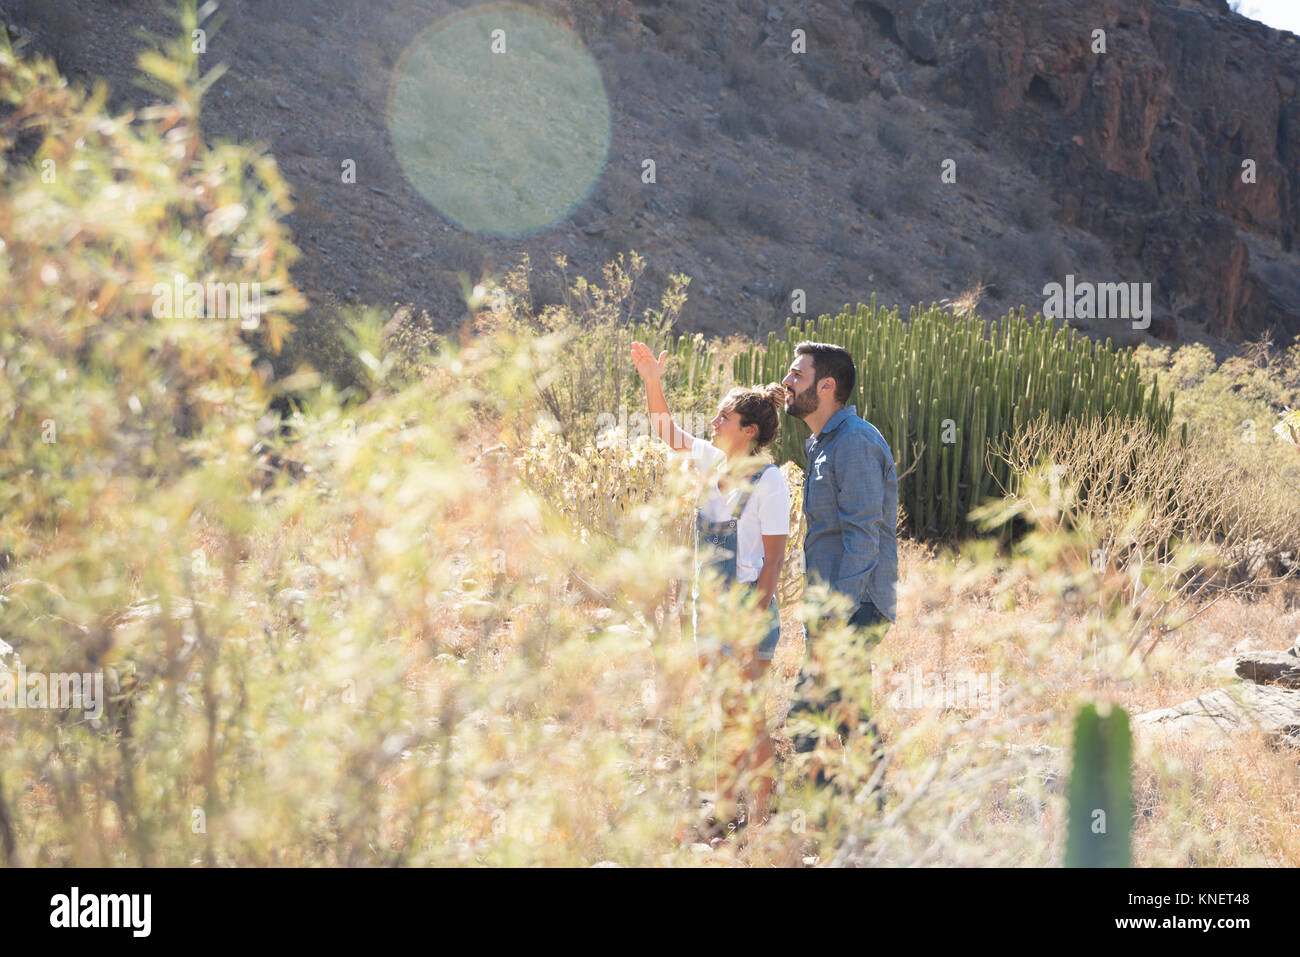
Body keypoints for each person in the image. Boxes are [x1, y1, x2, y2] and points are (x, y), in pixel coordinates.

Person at [630, 340, 790, 840]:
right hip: (709, 610)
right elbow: (664, 431)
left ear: (750, 431)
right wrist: (653, 381)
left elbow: (773, 563)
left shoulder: (769, 482)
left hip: (746, 611)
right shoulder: (707, 462)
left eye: (724, 417)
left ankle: (761, 815)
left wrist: (751, 625)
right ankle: (723, 809)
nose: (714, 422)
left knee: (747, 712)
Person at [779, 341, 898, 796]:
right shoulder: (824, 444)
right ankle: (869, 818)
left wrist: (836, 613)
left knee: (807, 721)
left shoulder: (854, 443)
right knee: (848, 715)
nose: (787, 382)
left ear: (826, 386)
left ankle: (832, 820)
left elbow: (863, 538)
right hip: (836, 604)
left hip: (855, 605)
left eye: (797, 375)